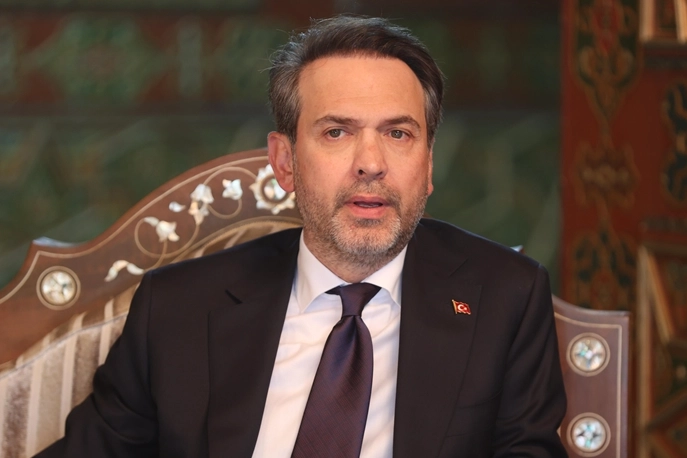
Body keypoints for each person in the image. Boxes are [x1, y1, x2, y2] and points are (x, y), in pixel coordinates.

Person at [36, 15, 567, 458]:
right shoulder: (178, 308)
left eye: (398, 133)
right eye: (336, 132)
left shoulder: (505, 297)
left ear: (427, 165)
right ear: (285, 161)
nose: (371, 163)